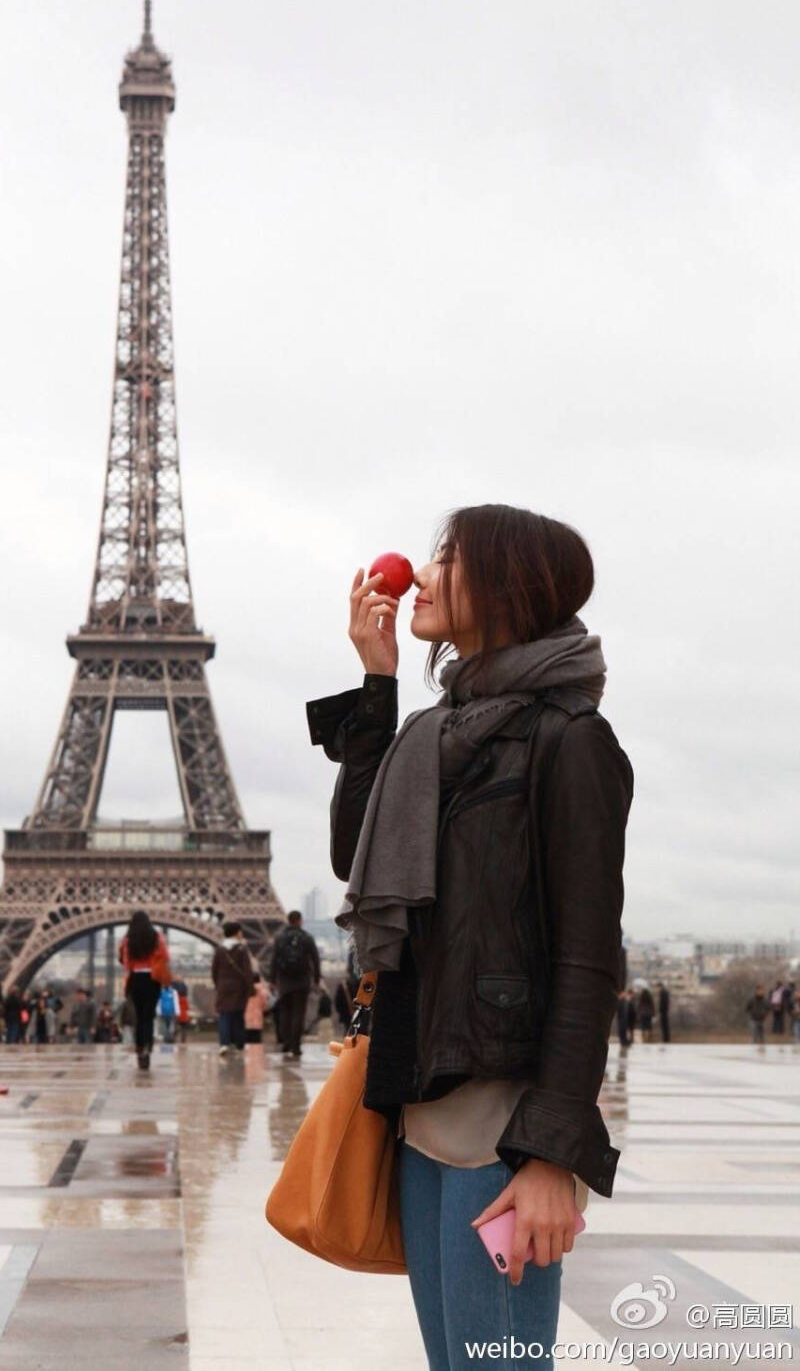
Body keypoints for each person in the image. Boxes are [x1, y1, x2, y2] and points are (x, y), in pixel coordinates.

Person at [305, 504, 634, 1368]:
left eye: (447, 557)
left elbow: (588, 958)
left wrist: (551, 1156)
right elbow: (354, 853)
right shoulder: (431, 736)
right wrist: (377, 684)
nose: (419, 571)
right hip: (418, 1115)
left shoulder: (571, 743)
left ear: (506, 586)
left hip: (503, 1134)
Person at [120, 911, 172, 1070]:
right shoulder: (157, 937)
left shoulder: (127, 940)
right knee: (148, 1017)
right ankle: (147, 1049)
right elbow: (165, 956)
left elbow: (124, 960)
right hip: (152, 979)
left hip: (135, 979)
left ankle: (139, 1047)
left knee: (138, 1018)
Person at [270, 910, 321, 1060]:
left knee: (285, 1012)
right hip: (302, 980)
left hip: (284, 980)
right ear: (300, 920)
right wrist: (316, 979)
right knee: (298, 1013)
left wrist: (273, 980)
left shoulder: (280, 938)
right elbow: (315, 959)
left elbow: (274, 959)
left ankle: (286, 1043)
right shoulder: (306, 937)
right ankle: (296, 1045)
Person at [211, 921, 253, 1055]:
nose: (241, 933)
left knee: (224, 1015)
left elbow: (214, 970)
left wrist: (219, 985)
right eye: (240, 931)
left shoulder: (220, 949)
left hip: (224, 986)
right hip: (239, 986)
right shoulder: (242, 949)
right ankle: (239, 1044)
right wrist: (250, 987)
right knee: (238, 1015)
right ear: (236, 932)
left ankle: (224, 1044)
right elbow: (247, 970)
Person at [244, 970, 270, 1044]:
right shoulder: (262, 991)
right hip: (257, 1020)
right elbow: (265, 1004)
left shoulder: (245, 990)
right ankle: (256, 1054)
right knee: (256, 1041)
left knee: (247, 1042)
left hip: (246, 1020)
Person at [173, 977, 191, 1044]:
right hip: (184, 1016)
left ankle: (173, 1038)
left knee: (175, 1027)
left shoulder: (176, 1000)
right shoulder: (184, 1000)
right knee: (184, 1029)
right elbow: (187, 1008)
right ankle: (183, 1039)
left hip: (177, 1015)